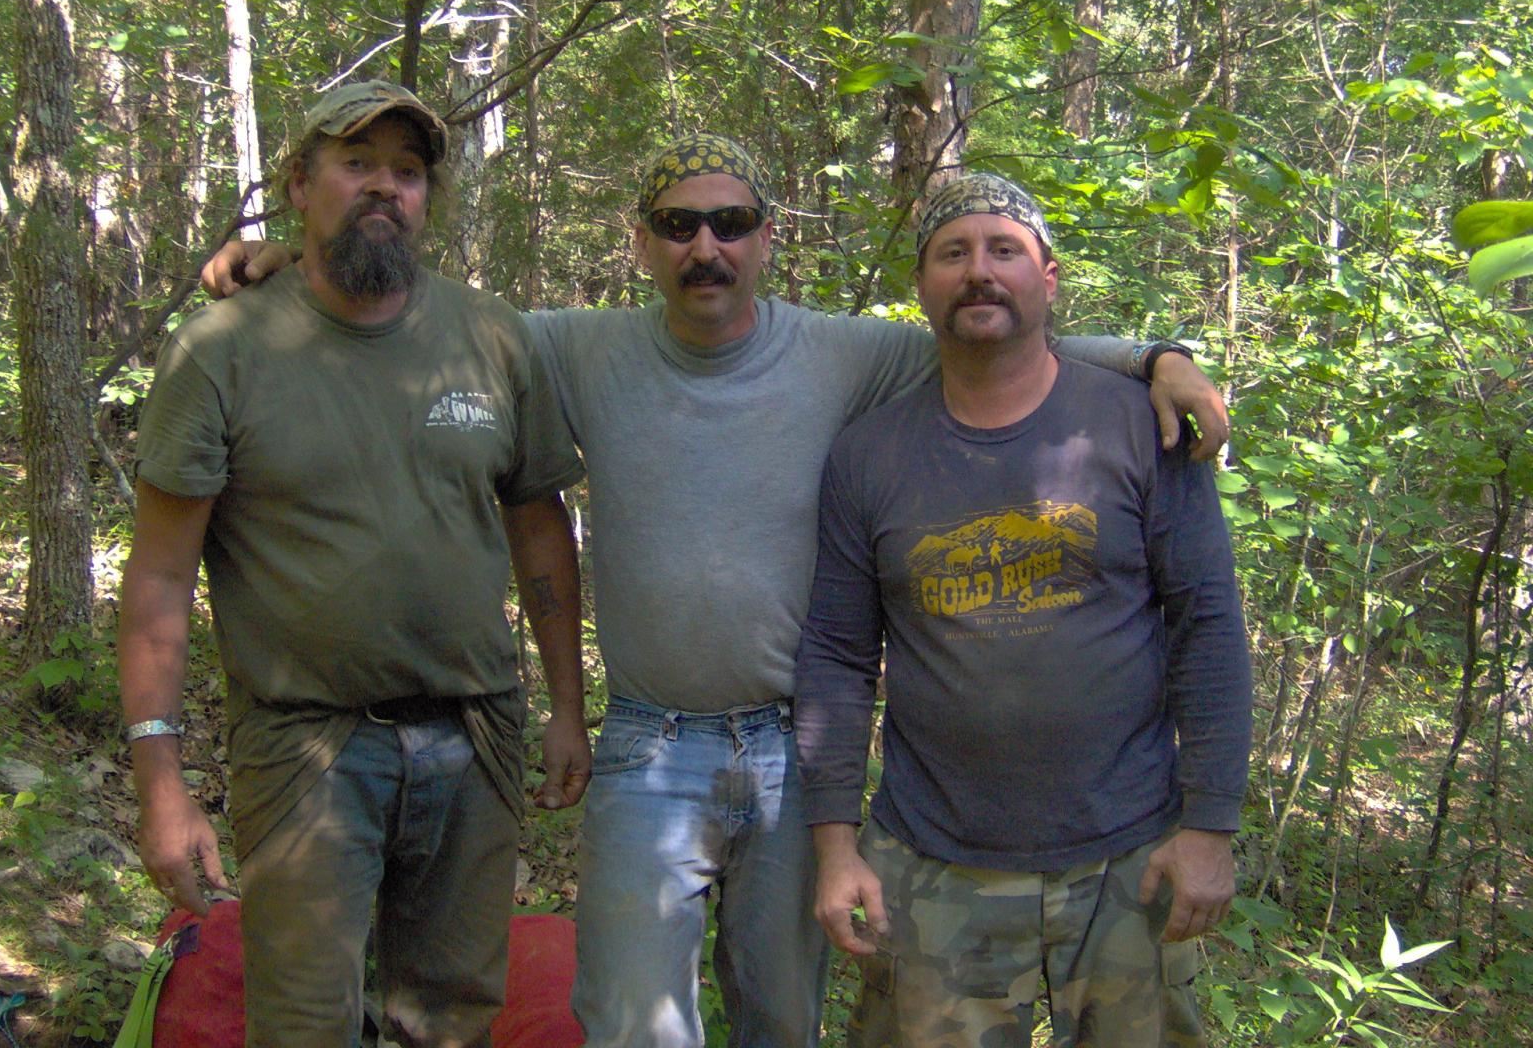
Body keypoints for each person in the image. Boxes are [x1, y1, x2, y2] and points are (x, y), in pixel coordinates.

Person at [199, 135, 1231, 1048]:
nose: (708, 247)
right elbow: (431, 319)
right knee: (629, 1021)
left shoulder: (845, 354)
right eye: (679, 225)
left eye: (731, 223)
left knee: (781, 1019)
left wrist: (1155, 358)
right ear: (642, 243)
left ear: (766, 238)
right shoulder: (575, 346)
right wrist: (304, 263)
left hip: (794, 750)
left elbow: (990, 337)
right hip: (650, 747)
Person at [117, 79, 590, 1047]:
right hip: (307, 749)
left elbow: (540, 530)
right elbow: (159, 578)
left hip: (475, 732)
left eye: (407, 172)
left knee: (451, 1019)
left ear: (427, 199)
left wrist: (568, 706)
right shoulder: (221, 352)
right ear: (299, 182)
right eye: (357, 163)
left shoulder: (492, 337)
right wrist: (161, 788)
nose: (385, 187)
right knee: (305, 1025)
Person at [794, 173, 1253, 1047]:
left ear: (1049, 277)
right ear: (922, 284)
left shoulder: (1138, 426)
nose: (979, 271)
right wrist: (835, 846)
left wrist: (1210, 825)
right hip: (934, 862)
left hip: (1131, 856)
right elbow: (837, 657)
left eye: (1004, 249)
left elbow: (1208, 627)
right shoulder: (867, 455)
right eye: (952, 253)